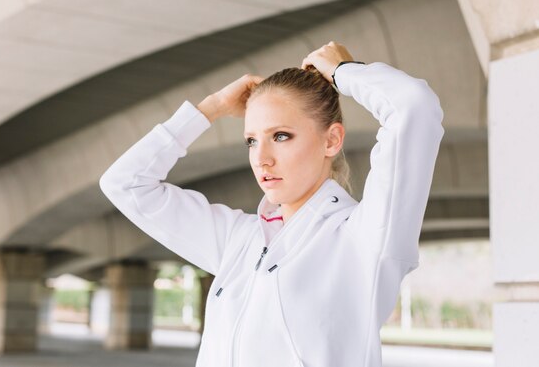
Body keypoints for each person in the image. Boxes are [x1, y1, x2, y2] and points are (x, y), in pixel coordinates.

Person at [99, 41, 445, 367]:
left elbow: (414, 107)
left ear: (332, 139)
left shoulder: (365, 237)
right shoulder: (238, 239)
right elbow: (125, 183)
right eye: (251, 140)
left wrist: (345, 71)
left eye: (280, 136)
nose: (261, 159)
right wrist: (212, 108)